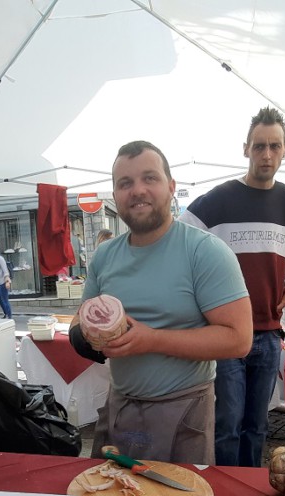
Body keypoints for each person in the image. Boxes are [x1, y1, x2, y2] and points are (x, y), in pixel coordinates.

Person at [71, 140, 251, 466]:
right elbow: (78, 322)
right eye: (125, 183)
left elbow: (239, 339)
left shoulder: (205, 251)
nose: (137, 190)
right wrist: (90, 338)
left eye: (149, 178)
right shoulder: (105, 256)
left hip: (184, 413)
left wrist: (151, 340)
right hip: (121, 407)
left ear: (171, 187)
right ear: (115, 195)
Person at [177, 106, 285, 468]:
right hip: (229, 333)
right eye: (259, 146)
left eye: (274, 146)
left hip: (268, 332)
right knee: (228, 424)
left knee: (257, 426)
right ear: (245, 148)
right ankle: (229, 488)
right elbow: (179, 242)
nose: (267, 154)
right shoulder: (217, 200)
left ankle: (250, 488)